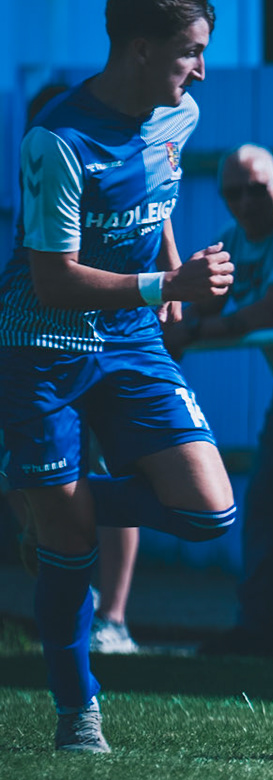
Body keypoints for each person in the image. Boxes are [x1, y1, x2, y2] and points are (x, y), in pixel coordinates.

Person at [0, 0, 238, 753]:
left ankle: (48, 503)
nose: (201, 71)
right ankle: (78, 713)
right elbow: (54, 281)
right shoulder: (56, 140)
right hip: (41, 344)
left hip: (130, 336)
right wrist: (166, 281)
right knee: (71, 552)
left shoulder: (180, 116)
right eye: (190, 52)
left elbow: (157, 189)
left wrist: (170, 276)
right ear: (141, 48)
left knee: (210, 511)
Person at [5, 82, 146, 656]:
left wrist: (163, 277)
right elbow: (43, 275)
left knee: (105, 475)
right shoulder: (46, 158)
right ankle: (55, 535)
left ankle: (114, 616)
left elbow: (152, 210)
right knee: (26, 469)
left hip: (111, 339)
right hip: (40, 345)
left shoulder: (114, 153)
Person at [172, 145, 273, 658]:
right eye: (233, 193)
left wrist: (193, 333)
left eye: (256, 190)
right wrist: (178, 304)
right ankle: (261, 629)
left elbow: (271, 311)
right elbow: (206, 305)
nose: (245, 202)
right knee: (269, 505)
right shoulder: (235, 238)